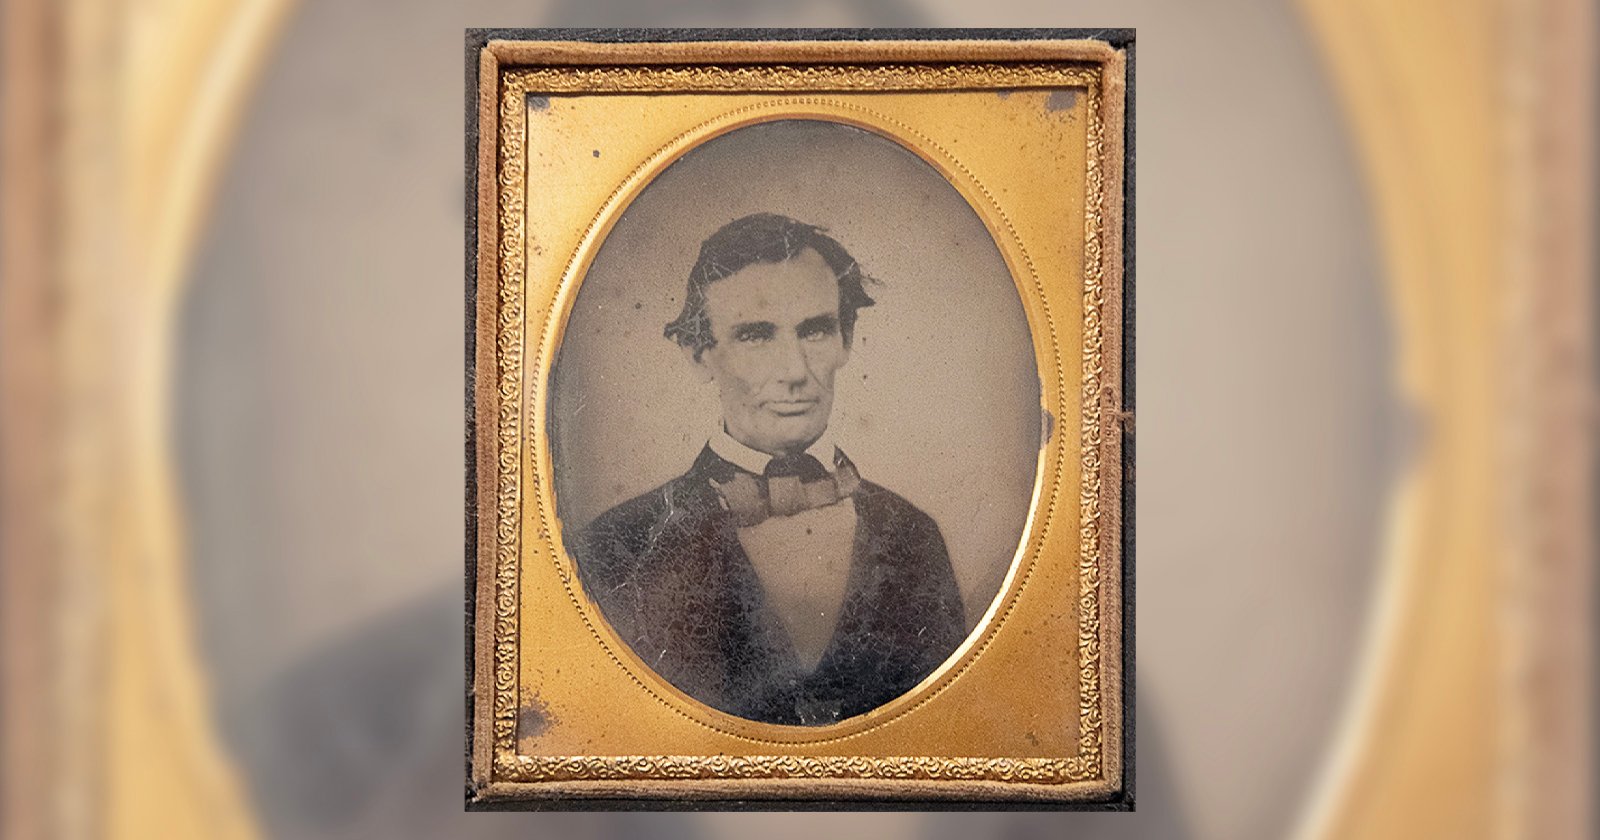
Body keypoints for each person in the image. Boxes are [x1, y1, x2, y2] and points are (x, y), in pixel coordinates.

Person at [569, 212, 966, 727]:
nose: (795, 372)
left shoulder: (914, 537)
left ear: (846, 341)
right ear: (698, 355)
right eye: (756, 336)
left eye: (816, 331)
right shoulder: (615, 548)